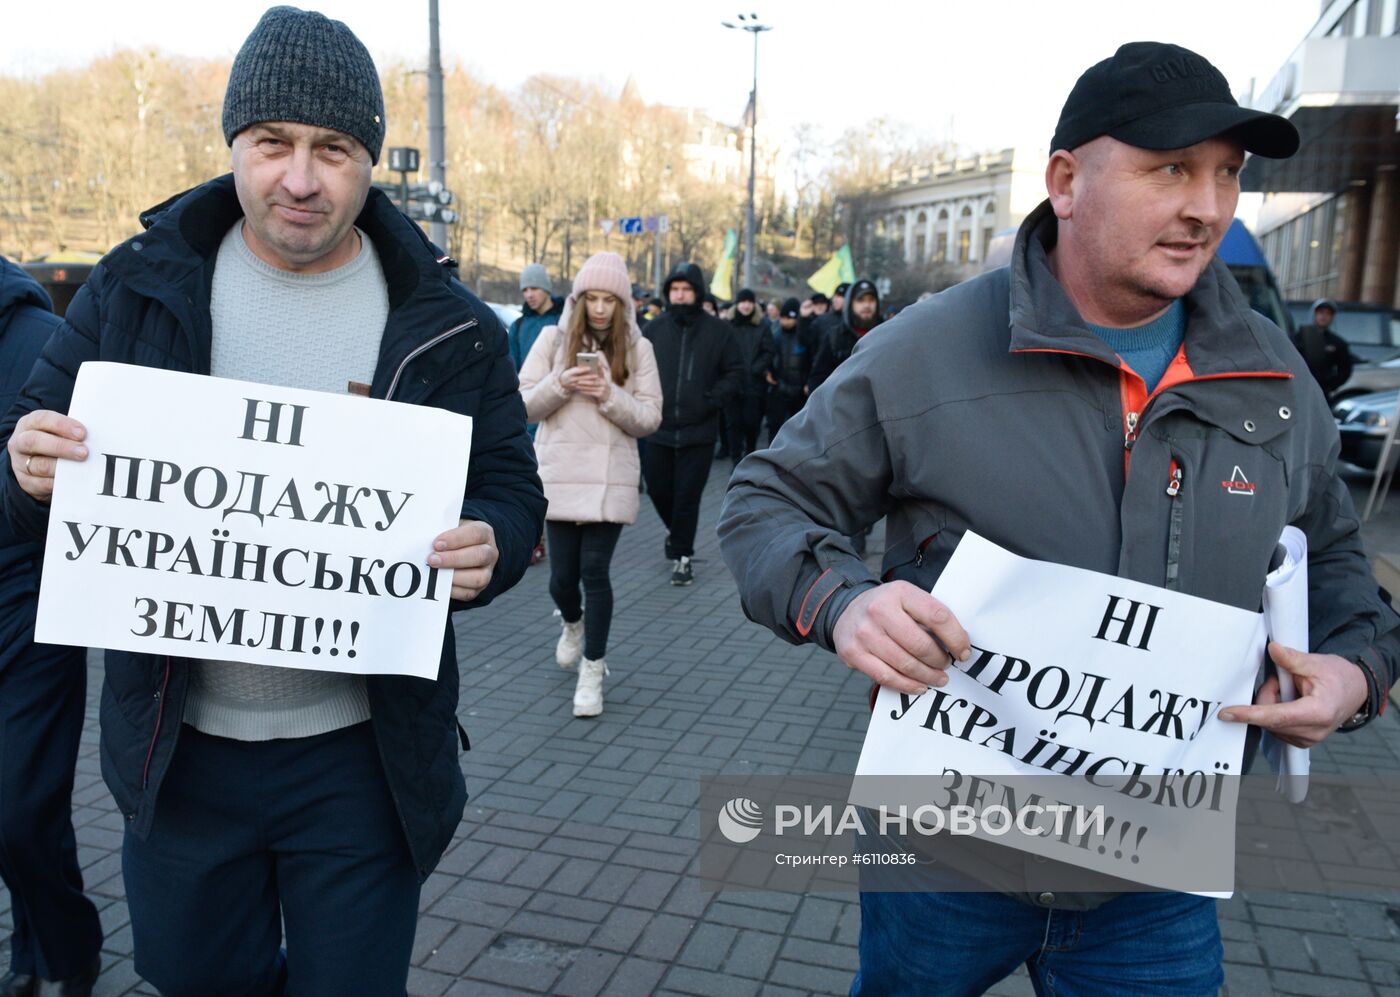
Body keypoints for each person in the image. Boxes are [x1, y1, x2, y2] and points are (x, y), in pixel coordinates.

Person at [719, 40, 1396, 995]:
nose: (1206, 205)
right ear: (1067, 181)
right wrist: (842, 603)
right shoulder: (929, 349)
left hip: (1155, 879)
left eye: (1227, 174)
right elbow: (764, 500)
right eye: (1171, 169)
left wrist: (1354, 672)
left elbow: (1331, 555)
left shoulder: (1275, 378)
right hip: (942, 856)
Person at [0, 8, 546, 994]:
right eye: (272, 145)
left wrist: (494, 544)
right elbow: (29, 473)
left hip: (364, 766)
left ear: (370, 160)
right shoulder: (133, 289)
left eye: (332, 149)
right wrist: (22, 469)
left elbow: (511, 490)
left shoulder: (447, 322)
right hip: (179, 757)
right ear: (235, 147)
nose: (300, 177)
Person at [0, 258, 102, 997]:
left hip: (26, 615)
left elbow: (80, 478)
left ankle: (62, 947)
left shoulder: (40, 337)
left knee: (22, 814)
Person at [519, 253, 661, 717]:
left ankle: (593, 670)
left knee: (594, 572)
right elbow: (520, 405)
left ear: (622, 304)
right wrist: (562, 384)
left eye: (609, 299)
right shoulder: (551, 339)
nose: (600, 308)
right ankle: (573, 624)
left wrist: (608, 395)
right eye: (592, 298)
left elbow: (649, 417)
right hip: (559, 475)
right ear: (579, 300)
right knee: (562, 580)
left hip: (609, 478)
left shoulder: (638, 349)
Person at [642, 261, 742, 586]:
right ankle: (676, 534)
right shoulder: (653, 329)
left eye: (686, 290)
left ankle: (683, 556)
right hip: (656, 429)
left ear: (697, 293)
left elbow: (736, 372)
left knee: (687, 496)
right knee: (659, 491)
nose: (680, 296)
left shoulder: (719, 331)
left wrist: (710, 400)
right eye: (675, 290)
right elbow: (635, 370)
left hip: (699, 431)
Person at [807, 278, 883, 392]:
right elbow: (818, 378)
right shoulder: (835, 336)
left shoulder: (886, 333)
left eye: (871, 300)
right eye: (860, 300)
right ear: (850, 303)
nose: (867, 305)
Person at [723, 288, 772, 462]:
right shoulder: (727, 325)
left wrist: (756, 368)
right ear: (737, 304)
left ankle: (750, 454)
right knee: (733, 424)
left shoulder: (762, 326)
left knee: (752, 423)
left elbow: (768, 351)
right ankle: (735, 459)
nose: (746, 305)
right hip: (732, 383)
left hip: (754, 383)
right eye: (743, 302)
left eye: (749, 302)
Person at [763, 297, 811, 441]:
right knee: (775, 429)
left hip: (801, 392)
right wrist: (767, 372)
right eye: (783, 318)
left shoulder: (805, 337)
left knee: (799, 432)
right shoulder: (776, 336)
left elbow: (812, 360)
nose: (786, 321)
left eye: (789, 318)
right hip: (779, 389)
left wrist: (808, 382)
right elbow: (768, 357)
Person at [1292, 297, 1353, 401]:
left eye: (1328, 314)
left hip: (1322, 391)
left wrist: (1330, 384)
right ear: (1314, 314)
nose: (1323, 316)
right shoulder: (1300, 337)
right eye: (1321, 312)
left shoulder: (1337, 343)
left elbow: (1345, 368)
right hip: (1298, 388)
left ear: (1332, 317)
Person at [507, 263, 564, 371]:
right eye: (525, 290)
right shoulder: (517, 327)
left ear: (546, 289)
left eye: (534, 288)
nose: (529, 295)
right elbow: (512, 370)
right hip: (526, 386)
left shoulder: (565, 321)